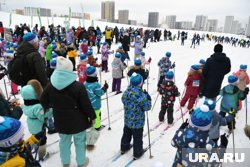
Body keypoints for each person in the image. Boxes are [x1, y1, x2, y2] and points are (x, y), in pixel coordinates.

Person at [40, 56, 96, 167]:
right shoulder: (78, 86)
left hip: (61, 122)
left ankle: (65, 163)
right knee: (79, 142)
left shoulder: (50, 86)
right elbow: (86, 105)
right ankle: (81, 162)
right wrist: (92, 116)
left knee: (64, 142)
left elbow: (43, 100)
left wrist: (53, 107)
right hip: (78, 122)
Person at [121, 73, 151, 159]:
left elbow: (123, 100)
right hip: (138, 122)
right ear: (140, 83)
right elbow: (147, 107)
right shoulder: (141, 95)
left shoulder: (127, 92)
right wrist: (148, 98)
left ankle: (124, 147)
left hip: (128, 120)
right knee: (137, 138)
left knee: (126, 133)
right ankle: (137, 152)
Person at [20, 79, 53, 160]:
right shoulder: (37, 107)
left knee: (35, 138)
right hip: (39, 126)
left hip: (32, 125)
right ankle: (42, 154)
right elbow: (43, 116)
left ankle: (35, 148)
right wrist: (51, 110)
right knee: (42, 140)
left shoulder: (26, 105)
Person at [84, 65, 108, 131]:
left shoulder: (85, 83)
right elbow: (100, 93)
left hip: (88, 104)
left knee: (89, 114)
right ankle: (97, 126)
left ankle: (89, 124)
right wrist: (104, 88)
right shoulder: (96, 84)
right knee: (96, 115)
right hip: (95, 104)